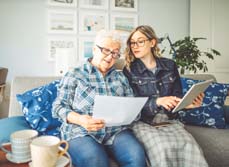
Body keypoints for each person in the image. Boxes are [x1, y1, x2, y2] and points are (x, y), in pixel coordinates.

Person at [52, 30, 146, 167]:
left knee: (137, 156)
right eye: (106, 51)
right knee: (96, 161)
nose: (110, 57)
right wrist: (80, 119)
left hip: (116, 132)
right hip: (82, 131)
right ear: (95, 49)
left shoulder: (120, 77)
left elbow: (131, 106)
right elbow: (58, 107)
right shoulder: (75, 74)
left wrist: (131, 113)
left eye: (115, 53)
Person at [123, 25, 208, 167]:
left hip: (168, 120)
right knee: (162, 147)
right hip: (143, 122)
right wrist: (157, 101)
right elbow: (131, 104)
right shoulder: (129, 69)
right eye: (132, 42)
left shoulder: (170, 65)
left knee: (188, 145)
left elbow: (176, 96)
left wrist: (187, 105)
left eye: (140, 41)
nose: (135, 46)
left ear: (152, 42)